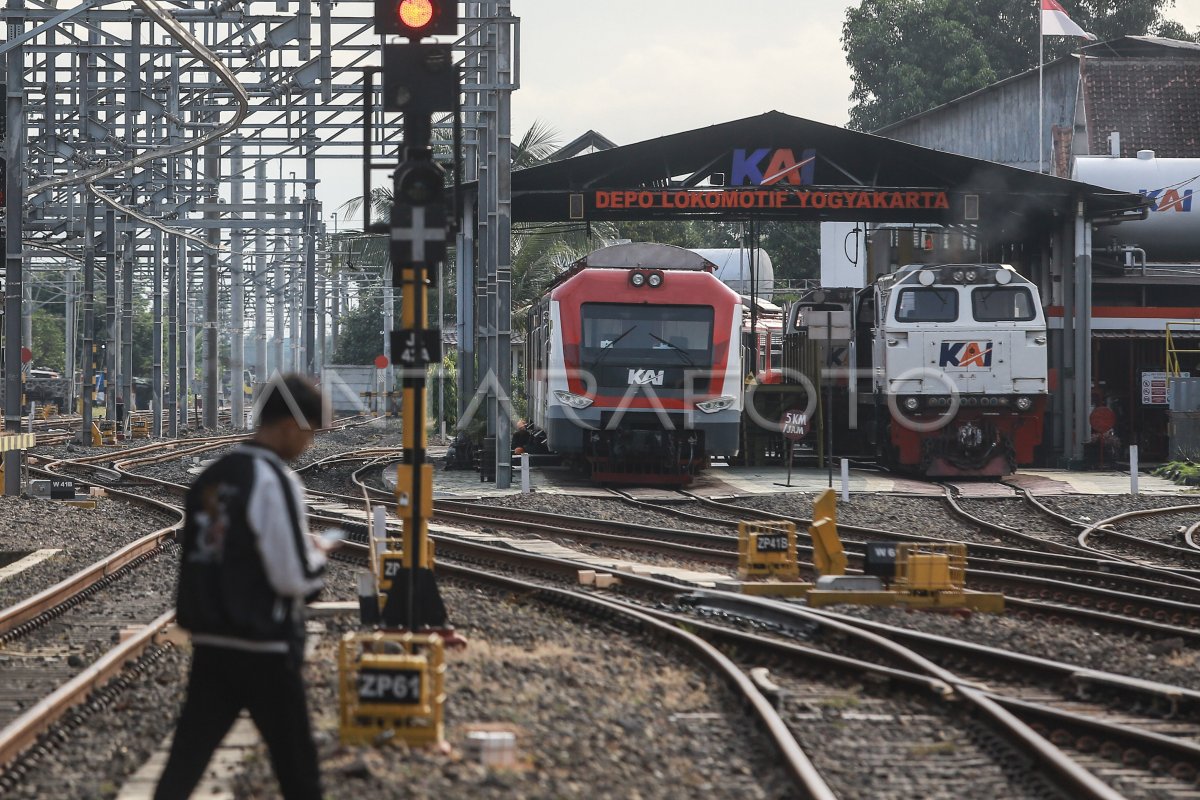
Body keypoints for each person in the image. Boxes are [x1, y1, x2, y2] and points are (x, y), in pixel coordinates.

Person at [155, 373, 334, 800]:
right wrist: (318, 559)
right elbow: (293, 577)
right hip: (264, 649)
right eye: (309, 432)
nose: (307, 443)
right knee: (299, 771)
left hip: (211, 643)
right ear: (291, 424)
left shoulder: (212, 476)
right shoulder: (274, 479)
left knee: (184, 764)